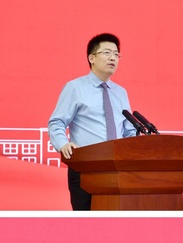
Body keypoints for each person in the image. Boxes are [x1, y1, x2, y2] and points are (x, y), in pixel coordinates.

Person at [48, 33, 138, 210]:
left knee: (115, 220)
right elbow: (57, 122)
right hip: (86, 167)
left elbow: (129, 131)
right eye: (107, 53)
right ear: (92, 58)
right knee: (87, 220)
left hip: (117, 169)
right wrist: (63, 144)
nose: (113, 58)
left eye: (116, 54)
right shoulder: (75, 87)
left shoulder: (120, 92)